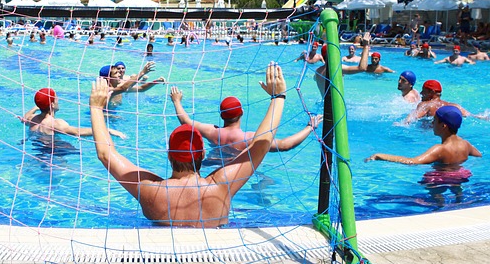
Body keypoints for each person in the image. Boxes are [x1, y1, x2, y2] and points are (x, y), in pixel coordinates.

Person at [89, 62, 287, 227]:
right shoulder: (220, 186)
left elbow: (106, 154)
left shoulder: (151, 190)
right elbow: (261, 145)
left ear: (169, 155)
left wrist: (96, 107)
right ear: (202, 154)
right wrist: (278, 97)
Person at [367, 106, 481, 204]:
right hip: (460, 176)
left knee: (431, 189)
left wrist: (380, 156)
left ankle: (438, 205)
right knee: (456, 187)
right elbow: (479, 155)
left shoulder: (440, 149)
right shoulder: (465, 144)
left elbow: (413, 162)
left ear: (443, 126)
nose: (432, 123)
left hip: (440, 178)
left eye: (435, 120)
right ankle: (458, 199)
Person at [170, 87, 322, 160]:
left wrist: (176, 101)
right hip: (238, 170)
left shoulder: (212, 132)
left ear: (222, 116)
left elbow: (185, 121)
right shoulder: (249, 138)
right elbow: (284, 145)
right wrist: (310, 127)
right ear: (241, 113)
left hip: (213, 163)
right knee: (265, 179)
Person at [21, 88, 124, 138]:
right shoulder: (55, 123)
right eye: (56, 99)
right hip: (53, 153)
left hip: (37, 148)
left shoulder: (33, 119)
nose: (58, 101)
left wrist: (37, 107)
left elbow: (24, 118)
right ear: (52, 104)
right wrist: (107, 130)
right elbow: (77, 132)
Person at [403, 80, 477, 124]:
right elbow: (472, 116)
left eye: (423, 90)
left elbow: (411, 118)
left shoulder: (426, 105)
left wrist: (402, 123)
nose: (421, 93)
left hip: (426, 136)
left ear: (431, 92)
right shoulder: (453, 106)